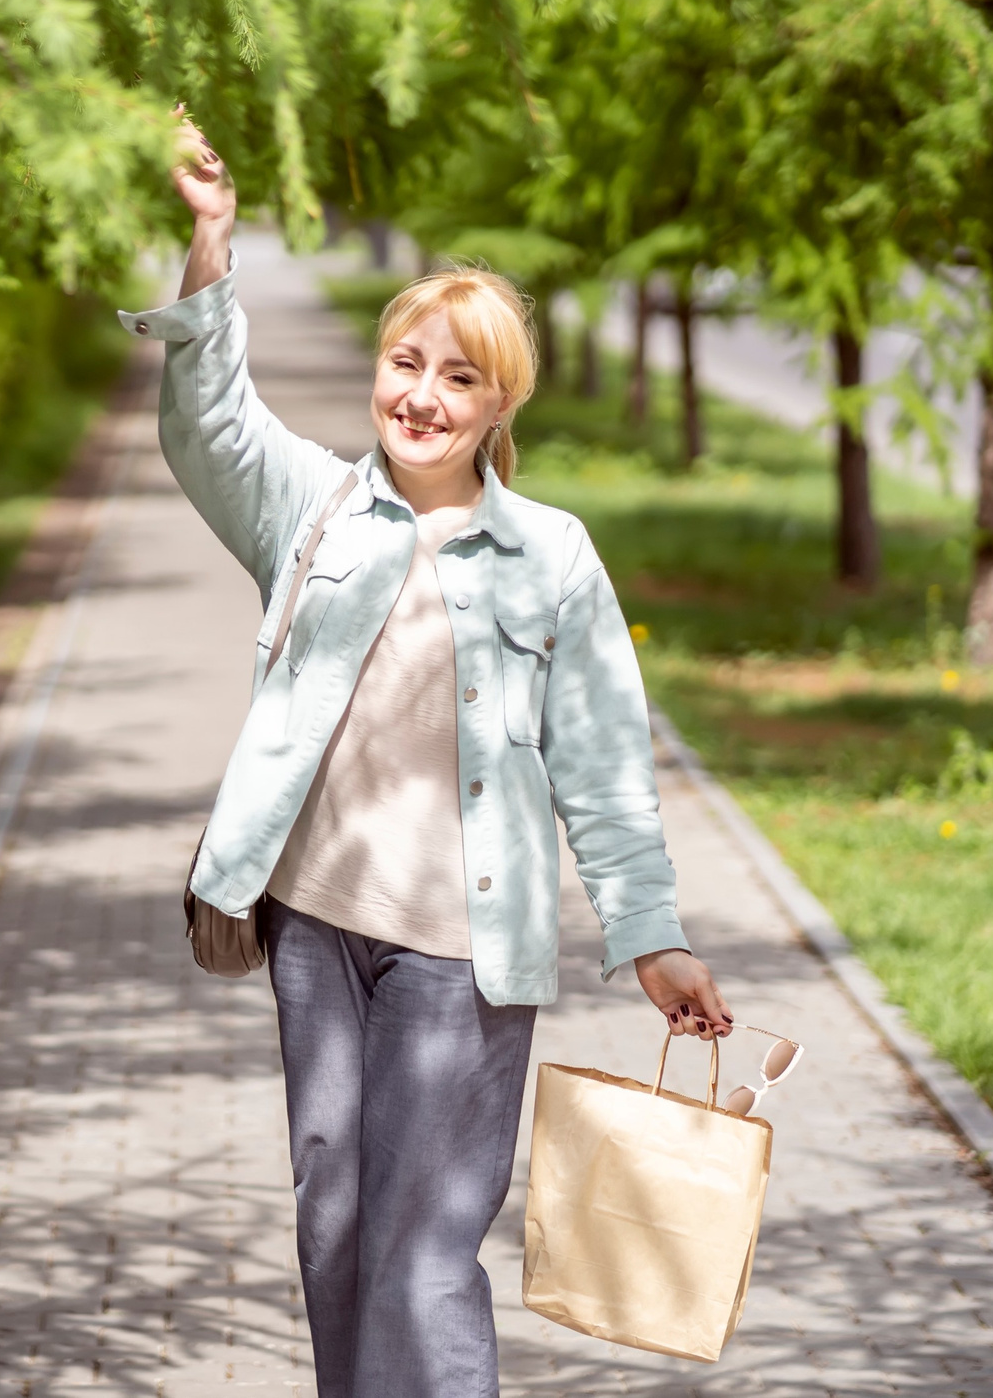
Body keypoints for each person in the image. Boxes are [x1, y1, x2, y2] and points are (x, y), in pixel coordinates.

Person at [120, 123, 735, 1397]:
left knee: (423, 1248)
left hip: (460, 952)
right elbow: (207, 419)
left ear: (498, 404)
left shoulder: (550, 555)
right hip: (314, 926)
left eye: (458, 379)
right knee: (333, 1221)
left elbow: (606, 764)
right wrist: (212, 238)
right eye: (405, 363)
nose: (423, 395)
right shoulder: (317, 506)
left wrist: (652, 932)